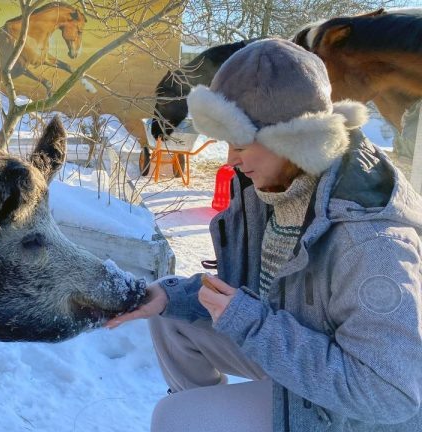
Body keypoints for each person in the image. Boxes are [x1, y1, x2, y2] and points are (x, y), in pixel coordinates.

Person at [108, 39, 422, 431]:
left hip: (354, 410)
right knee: (171, 315)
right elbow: (253, 299)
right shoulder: (271, 188)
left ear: (291, 140)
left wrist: (253, 324)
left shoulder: (372, 241)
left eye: (239, 143)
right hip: (294, 349)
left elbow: (390, 393)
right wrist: (175, 296)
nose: (230, 160)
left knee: (173, 417)